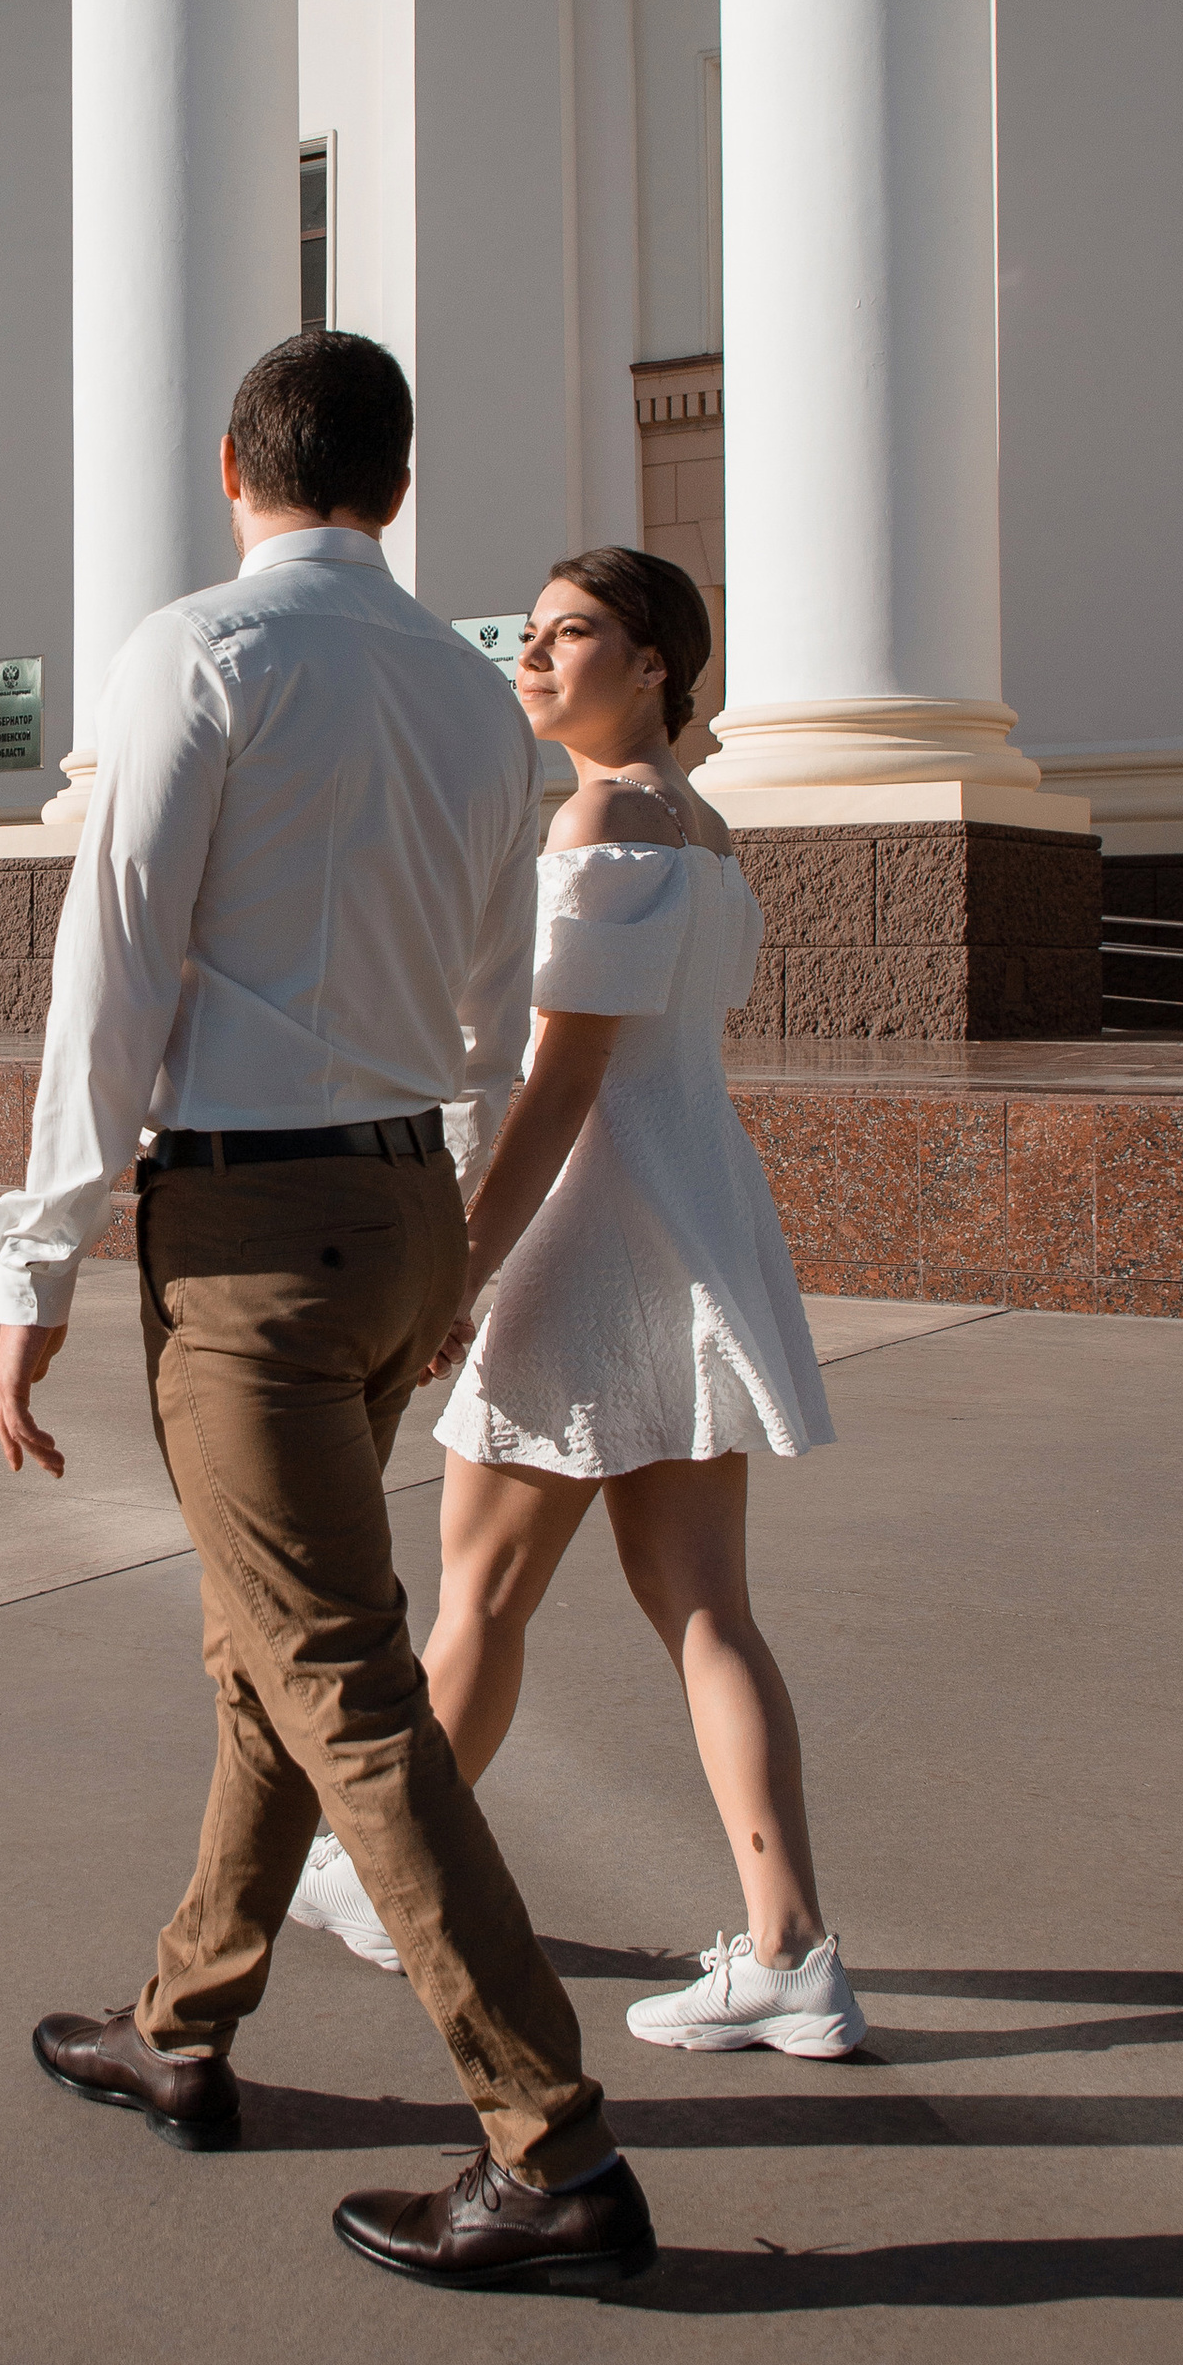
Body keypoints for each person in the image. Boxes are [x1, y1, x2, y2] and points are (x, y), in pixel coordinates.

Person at [0, 336, 656, 2294]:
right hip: (395, 1209)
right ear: (393, 481)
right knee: (267, 1651)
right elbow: (486, 993)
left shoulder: (193, 653)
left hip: (252, 1232)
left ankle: (548, 2146)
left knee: (333, 1679)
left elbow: (105, 983)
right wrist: (439, 1231)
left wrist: (28, 1269)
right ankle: (180, 2027)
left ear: (229, 468)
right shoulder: (475, 701)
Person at [284, 547, 865, 2059]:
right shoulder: (708, 823)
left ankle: (378, 1877)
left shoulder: (608, 818)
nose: (533, 660)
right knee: (705, 1610)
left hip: (586, 1239)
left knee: (479, 1592)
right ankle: (791, 1950)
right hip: (694, 1216)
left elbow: (564, 1079)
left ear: (658, 662)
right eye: (529, 636)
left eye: (573, 636)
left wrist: (463, 1267)